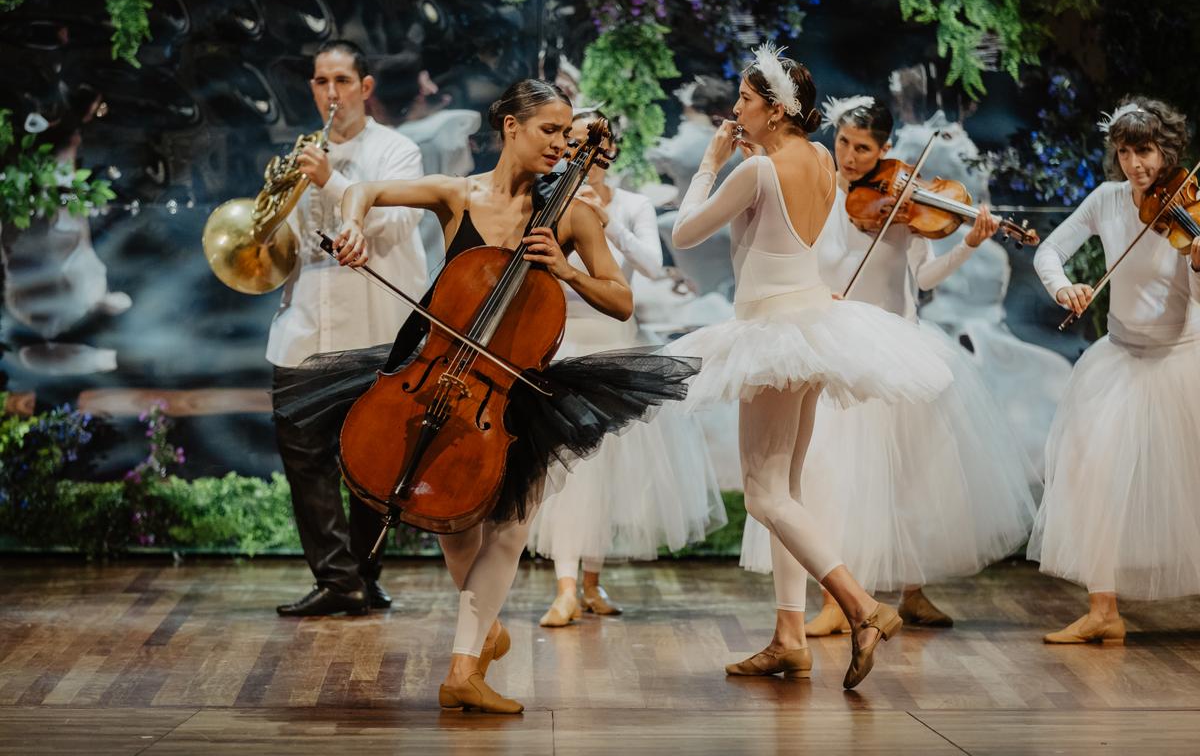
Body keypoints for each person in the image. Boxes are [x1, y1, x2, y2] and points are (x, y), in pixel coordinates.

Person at [276, 79, 699, 712]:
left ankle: (462, 669)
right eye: (548, 131)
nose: (560, 144)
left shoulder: (574, 214)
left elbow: (621, 300)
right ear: (511, 128)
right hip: (431, 367)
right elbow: (362, 189)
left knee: (506, 529)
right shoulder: (459, 194)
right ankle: (483, 631)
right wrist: (353, 226)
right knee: (450, 526)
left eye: (566, 133)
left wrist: (565, 268)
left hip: (508, 391)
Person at [665, 44, 953, 689]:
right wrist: (748, 164)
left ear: (774, 109)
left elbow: (684, 234)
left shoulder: (756, 172)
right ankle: (789, 637)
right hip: (808, 325)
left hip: (772, 330)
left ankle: (862, 606)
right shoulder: (819, 158)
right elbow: (794, 236)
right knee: (784, 492)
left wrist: (710, 167)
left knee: (764, 493)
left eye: (744, 100)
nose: (735, 109)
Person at [739, 96, 1037, 639]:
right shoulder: (821, 192)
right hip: (837, 347)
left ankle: (911, 590)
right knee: (836, 479)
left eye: (863, 148)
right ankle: (838, 597)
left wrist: (969, 242)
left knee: (906, 478)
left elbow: (923, 281)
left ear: (886, 150)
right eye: (844, 144)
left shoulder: (903, 207)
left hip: (895, 347)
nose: (850, 157)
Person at [526, 110, 725, 627]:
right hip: (562, 343)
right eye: (570, 143)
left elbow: (654, 268)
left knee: (603, 474)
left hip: (616, 346)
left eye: (592, 144)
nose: (581, 154)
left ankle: (591, 582)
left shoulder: (633, 205)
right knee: (565, 469)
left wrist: (606, 219)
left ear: (608, 148)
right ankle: (565, 587)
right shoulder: (548, 201)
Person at [1028, 96, 1200, 643]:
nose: (1136, 165)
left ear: (1167, 150)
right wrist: (1065, 287)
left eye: (1145, 151)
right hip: (1119, 358)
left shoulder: (1191, 208)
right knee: (1090, 473)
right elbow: (1049, 252)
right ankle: (1104, 610)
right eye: (1125, 152)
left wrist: (1196, 257)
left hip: (1181, 359)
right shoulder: (1107, 200)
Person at [269, 40, 426, 617]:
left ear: (365, 86)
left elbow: (394, 224)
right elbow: (284, 244)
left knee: (375, 462)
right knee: (304, 457)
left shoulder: (399, 152)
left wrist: (332, 183)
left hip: (376, 327)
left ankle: (363, 573)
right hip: (304, 325)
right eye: (319, 81)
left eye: (340, 80)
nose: (329, 93)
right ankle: (338, 580)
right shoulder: (300, 153)